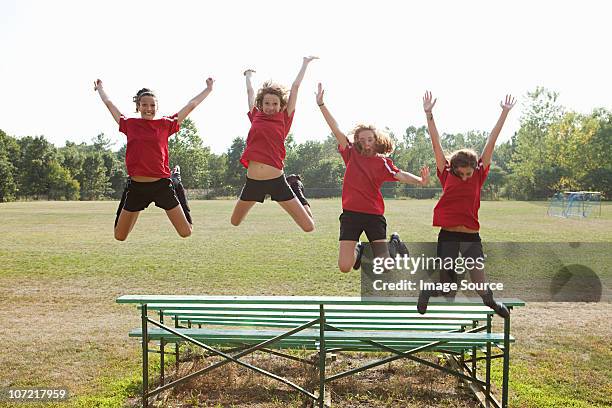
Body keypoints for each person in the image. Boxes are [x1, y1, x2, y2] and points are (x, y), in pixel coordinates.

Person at [417, 91, 516, 317]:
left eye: (468, 173)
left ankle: (490, 302)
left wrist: (504, 113)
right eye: (460, 173)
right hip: (449, 235)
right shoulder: (446, 173)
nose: (464, 177)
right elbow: (436, 143)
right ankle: (427, 291)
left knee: (480, 284)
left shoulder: (480, 173)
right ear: (453, 169)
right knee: (447, 289)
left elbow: (491, 140)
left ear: (475, 168)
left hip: (471, 236)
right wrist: (429, 113)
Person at [316, 83, 429, 273]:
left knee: (385, 267)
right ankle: (359, 250)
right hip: (350, 215)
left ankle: (394, 244)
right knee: (344, 266)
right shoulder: (350, 153)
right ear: (357, 141)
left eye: (370, 140)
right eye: (362, 140)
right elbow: (336, 130)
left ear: (376, 140)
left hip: (373, 215)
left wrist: (419, 180)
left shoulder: (382, 162)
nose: (366, 144)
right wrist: (321, 105)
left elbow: (399, 174)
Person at [94, 77, 213, 240]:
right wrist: (100, 88)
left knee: (186, 232)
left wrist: (208, 89)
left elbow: (191, 105)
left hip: (162, 185)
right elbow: (109, 104)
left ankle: (176, 181)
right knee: (120, 236)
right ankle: (135, 206)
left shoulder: (165, 124)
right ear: (138, 106)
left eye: (152, 105)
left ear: (156, 107)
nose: (148, 108)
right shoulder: (129, 123)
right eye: (144, 105)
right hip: (136, 187)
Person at [230, 57, 317, 232]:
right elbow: (250, 93)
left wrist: (305, 64)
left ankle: (295, 188)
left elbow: (295, 88)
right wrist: (247, 75)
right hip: (253, 182)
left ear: (281, 105)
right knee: (235, 221)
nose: (271, 107)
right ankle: (294, 189)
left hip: (277, 181)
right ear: (261, 104)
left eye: (275, 104)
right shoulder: (256, 115)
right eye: (267, 103)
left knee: (308, 226)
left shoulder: (284, 118)